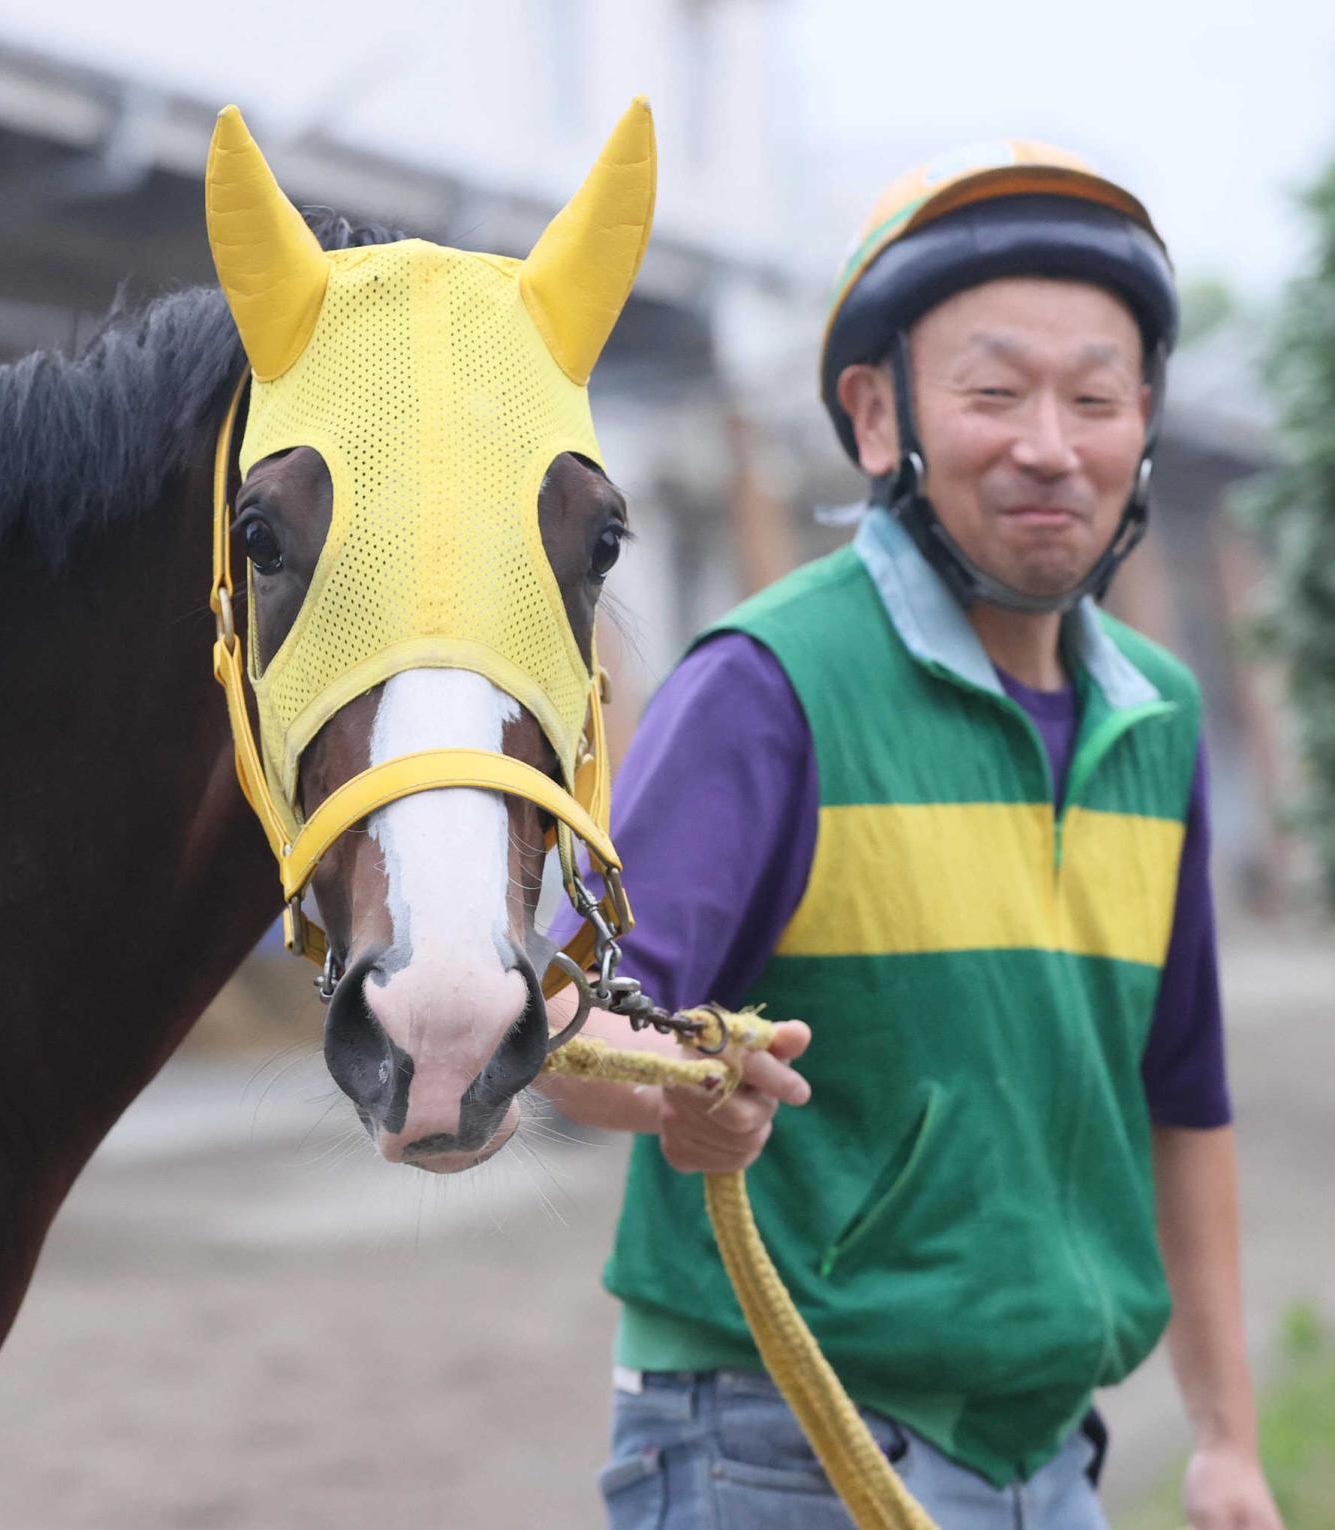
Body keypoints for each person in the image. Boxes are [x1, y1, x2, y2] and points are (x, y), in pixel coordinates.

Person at [540, 143, 1284, 1529]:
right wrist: (685, 1081)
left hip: (1050, 1463)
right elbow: (572, 1017)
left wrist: (1230, 1439)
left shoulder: (1160, 715)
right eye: (994, 392)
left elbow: (1184, 1096)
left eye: (1098, 395)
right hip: (775, 1446)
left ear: (1146, 425)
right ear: (881, 419)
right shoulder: (763, 687)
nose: (1051, 444)